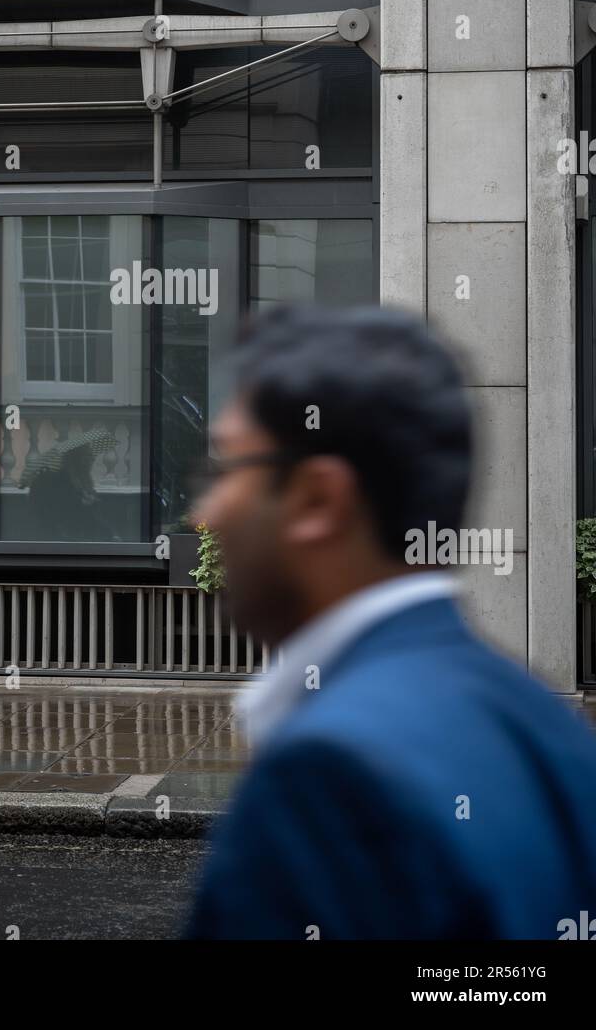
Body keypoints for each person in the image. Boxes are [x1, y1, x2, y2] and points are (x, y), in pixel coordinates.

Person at [184, 304, 596, 940]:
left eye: (224, 469)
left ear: (317, 499)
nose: (202, 516)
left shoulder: (326, 774)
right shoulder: (540, 718)